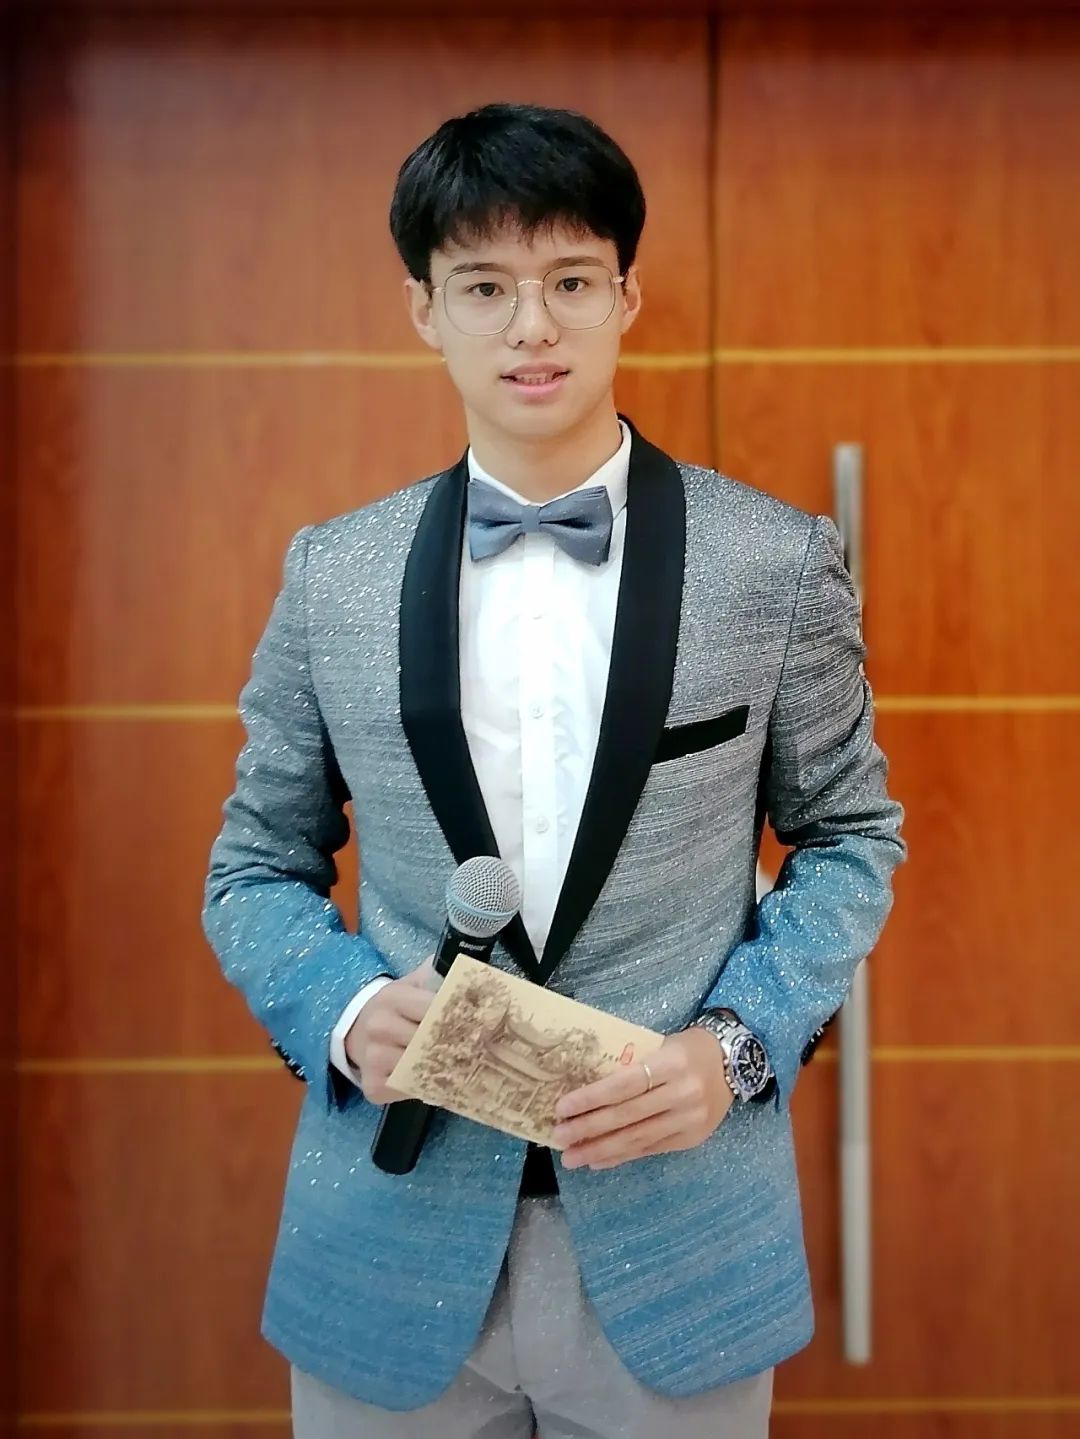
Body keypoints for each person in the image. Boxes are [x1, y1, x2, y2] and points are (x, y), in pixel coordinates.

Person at [202, 102, 906, 1439]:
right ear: (425, 311)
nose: (533, 327)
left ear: (627, 296)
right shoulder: (332, 575)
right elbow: (254, 866)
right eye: (485, 288)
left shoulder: (775, 563)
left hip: (683, 1245)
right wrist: (347, 1013)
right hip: (389, 1244)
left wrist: (735, 1046)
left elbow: (851, 836)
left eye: (571, 282)